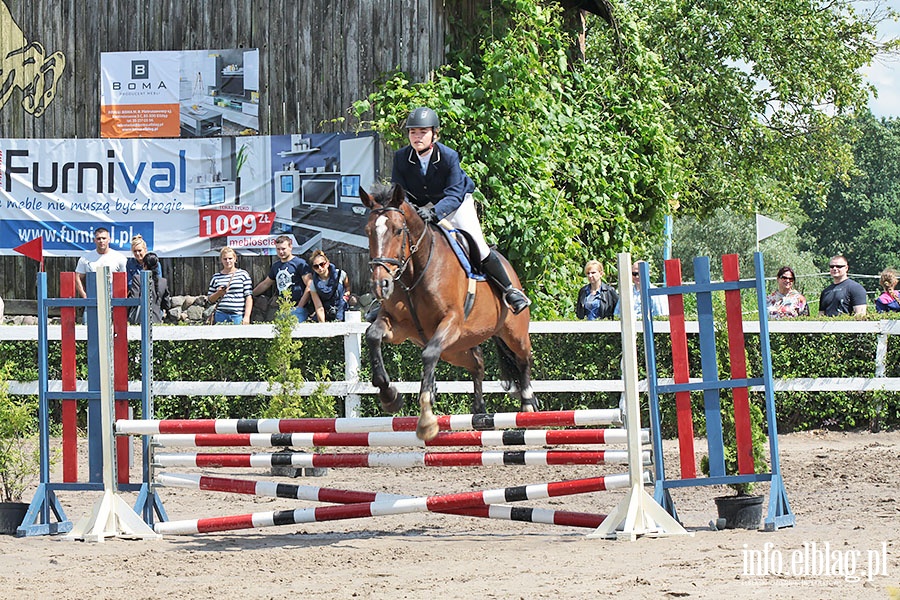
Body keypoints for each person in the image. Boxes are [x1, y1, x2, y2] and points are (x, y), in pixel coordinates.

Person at [391, 107, 530, 314]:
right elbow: (399, 192)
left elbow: (455, 194)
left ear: (434, 134)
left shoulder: (448, 156)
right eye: (413, 132)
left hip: (455, 204)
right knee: (400, 243)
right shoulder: (401, 157)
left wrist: (435, 213)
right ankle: (388, 298)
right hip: (422, 206)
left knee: (478, 245)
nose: (417, 136)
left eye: (422, 132)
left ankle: (510, 290)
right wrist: (414, 210)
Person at [252, 235, 314, 322]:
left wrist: (300, 306)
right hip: (281, 308)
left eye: (283, 248)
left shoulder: (300, 264)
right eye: (278, 249)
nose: (281, 251)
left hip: (298, 307)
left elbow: (310, 285)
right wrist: (250, 294)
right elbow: (265, 284)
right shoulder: (276, 266)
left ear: (290, 247)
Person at [75, 227, 128, 298]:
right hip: (92, 301)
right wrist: (85, 296)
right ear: (94, 240)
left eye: (104, 238)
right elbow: (77, 277)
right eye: (98, 238)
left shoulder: (119, 258)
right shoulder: (85, 258)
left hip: (114, 301)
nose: (101, 241)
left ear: (109, 239)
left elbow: (125, 280)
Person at [300, 249, 351, 322]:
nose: (320, 268)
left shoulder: (341, 274)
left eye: (322, 264)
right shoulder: (313, 284)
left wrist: (347, 294)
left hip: (341, 309)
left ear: (327, 263)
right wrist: (323, 325)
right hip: (326, 312)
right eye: (316, 266)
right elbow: (319, 307)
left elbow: (347, 286)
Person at [206, 246, 253, 324]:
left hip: (237, 315)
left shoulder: (243, 275)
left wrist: (247, 316)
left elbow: (248, 297)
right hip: (220, 315)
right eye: (225, 259)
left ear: (235, 259)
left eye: (230, 258)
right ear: (221, 260)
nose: (228, 261)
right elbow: (210, 300)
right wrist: (218, 293)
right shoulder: (216, 277)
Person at [128, 252, 171, 324]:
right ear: (157, 265)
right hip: (157, 319)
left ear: (144, 265)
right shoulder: (163, 281)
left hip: (139, 319)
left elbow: (134, 299)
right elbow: (167, 304)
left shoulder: (137, 278)